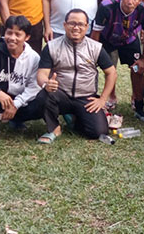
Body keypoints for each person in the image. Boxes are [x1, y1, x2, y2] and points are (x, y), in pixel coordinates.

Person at [36, 9, 117, 143]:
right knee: (44, 95)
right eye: (72, 23)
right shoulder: (52, 46)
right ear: (64, 25)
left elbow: (111, 73)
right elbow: (41, 74)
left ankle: (74, 119)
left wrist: (102, 99)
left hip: (86, 97)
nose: (76, 27)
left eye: (80, 24)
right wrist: (46, 83)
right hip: (61, 94)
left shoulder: (95, 47)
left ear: (87, 26)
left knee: (98, 132)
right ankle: (54, 128)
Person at [91, 0, 144, 122]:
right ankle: (104, 100)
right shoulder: (107, 6)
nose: (130, 2)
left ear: (140, 0)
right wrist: (93, 55)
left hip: (129, 41)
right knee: (105, 69)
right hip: (107, 40)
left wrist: (143, 59)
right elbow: (96, 33)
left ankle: (139, 107)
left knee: (137, 69)